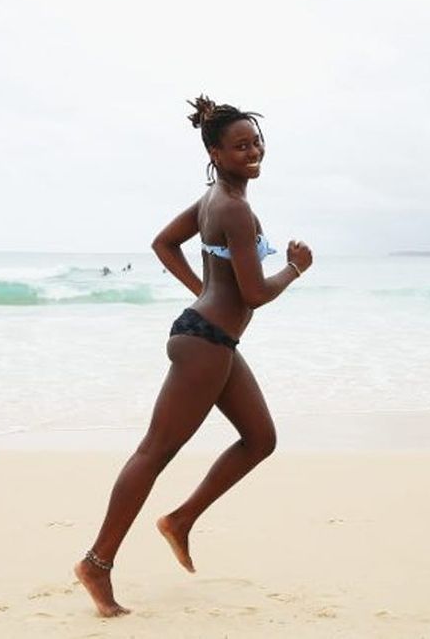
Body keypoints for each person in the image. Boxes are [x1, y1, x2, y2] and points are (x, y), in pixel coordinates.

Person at [74, 95, 313, 617]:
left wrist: (202, 291)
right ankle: (97, 563)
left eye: (256, 142)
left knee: (260, 439)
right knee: (155, 452)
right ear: (215, 151)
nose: (253, 151)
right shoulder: (233, 207)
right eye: (240, 145)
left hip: (213, 339)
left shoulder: (213, 199)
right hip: (204, 343)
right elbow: (252, 294)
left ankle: (180, 520)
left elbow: (163, 244)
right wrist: (294, 269)